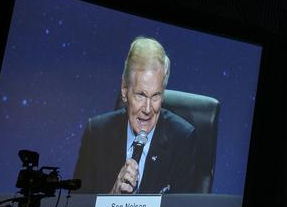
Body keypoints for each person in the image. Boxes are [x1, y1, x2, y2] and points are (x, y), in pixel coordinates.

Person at [73, 36, 204, 194]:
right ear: (124, 90)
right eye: (141, 95)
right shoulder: (97, 134)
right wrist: (112, 197)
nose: (148, 109)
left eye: (155, 95)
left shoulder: (183, 140)